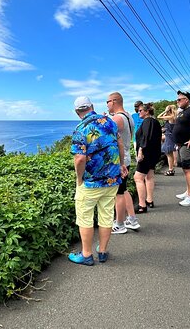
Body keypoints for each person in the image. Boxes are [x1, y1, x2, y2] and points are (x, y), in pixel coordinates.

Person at [69, 96, 128, 265]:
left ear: (76, 112)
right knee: (106, 215)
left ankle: (86, 255)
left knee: (85, 217)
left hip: (90, 182)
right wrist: (122, 165)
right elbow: (120, 144)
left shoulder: (80, 129)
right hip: (111, 180)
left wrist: (79, 178)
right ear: (92, 106)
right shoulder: (109, 122)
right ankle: (102, 251)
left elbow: (80, 159)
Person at [106, 92, 140, 234]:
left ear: (113, 101)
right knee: (124, 189)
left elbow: (105, 135)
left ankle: (119, 224)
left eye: (107, 102)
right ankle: (132, 219)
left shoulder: (117, 118)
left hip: (119, 160)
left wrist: (106, 119)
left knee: (118, 193)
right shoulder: (128, 116)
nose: (107, 104)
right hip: (126, 157)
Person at [134, 103, 162, 212]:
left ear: (147, 111)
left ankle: (142, 205)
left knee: (138, 178)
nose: (138, 112)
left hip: (147, 154)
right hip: (154, 154)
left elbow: (146, 137)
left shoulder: (147, 121)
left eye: (140, 110)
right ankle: (149, 200)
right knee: (149, 176)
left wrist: (141, 151)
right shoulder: (155, 122)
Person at [157, 104, 178, 176]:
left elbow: (158, 117)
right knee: (170, 154)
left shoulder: (171, 117)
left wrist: (164, 111)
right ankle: (171, 168)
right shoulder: (174, 117)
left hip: (169, 136)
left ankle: (170, 169)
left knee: (169, 154)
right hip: (170, 136)